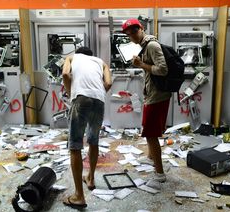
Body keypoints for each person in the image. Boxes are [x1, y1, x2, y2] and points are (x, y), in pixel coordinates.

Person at [61, 46, 112, 209]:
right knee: (93, 140)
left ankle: (79, 196)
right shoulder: (101, 62)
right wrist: (96, 93)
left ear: (79, 54)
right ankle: (90, 178)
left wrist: (71, 94)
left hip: (81, 98)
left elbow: (65, 74)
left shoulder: (71, 58)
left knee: (75, 146)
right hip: (99, 99)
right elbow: (108, 83)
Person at [123, 18, 171, 182]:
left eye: (135, 32)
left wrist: (141, 64)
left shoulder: (151, 45)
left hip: (157, 96)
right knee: (149, 129)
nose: (133, 36)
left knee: (151, 133)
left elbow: (163, 70)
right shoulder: (145, 45)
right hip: (153, 94)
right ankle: (151, 157)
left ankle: (160, 173)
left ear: (142, 29)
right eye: (129, 34)